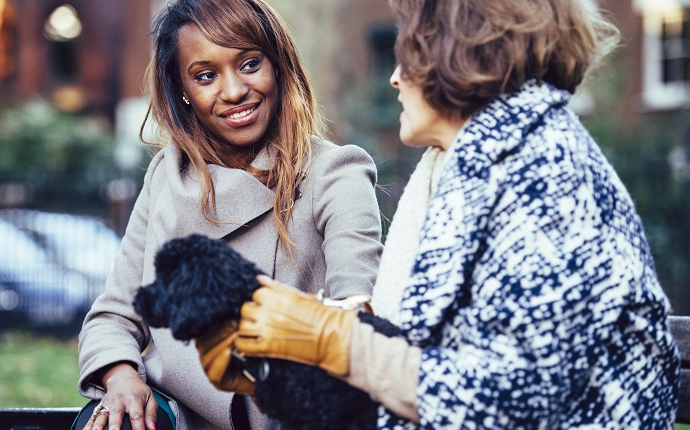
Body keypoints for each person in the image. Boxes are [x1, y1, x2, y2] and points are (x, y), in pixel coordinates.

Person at [206, 0, 682, 428]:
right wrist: (276, 360)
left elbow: (513, 400)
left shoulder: (545, 169)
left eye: (407, 51)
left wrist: (331, 340)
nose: (394, 77)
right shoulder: (472, 164)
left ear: (456, 51)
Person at [75, 0, 384, 429]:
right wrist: (122, 376)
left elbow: (355, 317)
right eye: (206, 76)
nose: (235, 90)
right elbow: (114, 316)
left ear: (277, 65)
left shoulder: (335, 172)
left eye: (250, 63)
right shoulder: (167, 176)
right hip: (178, 415)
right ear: (182, 89)